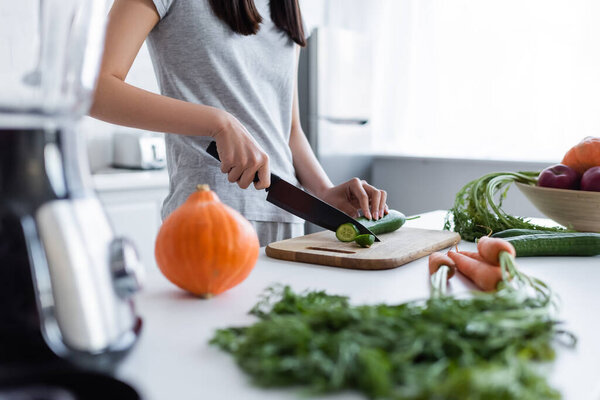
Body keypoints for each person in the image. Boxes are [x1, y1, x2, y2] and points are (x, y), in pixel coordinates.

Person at [90, 0, 389, 246]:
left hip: (285, 223)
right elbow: (95, 90)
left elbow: (288, 129)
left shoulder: (288, 5)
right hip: (209, 218)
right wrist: (218, 122)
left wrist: (324, 193)